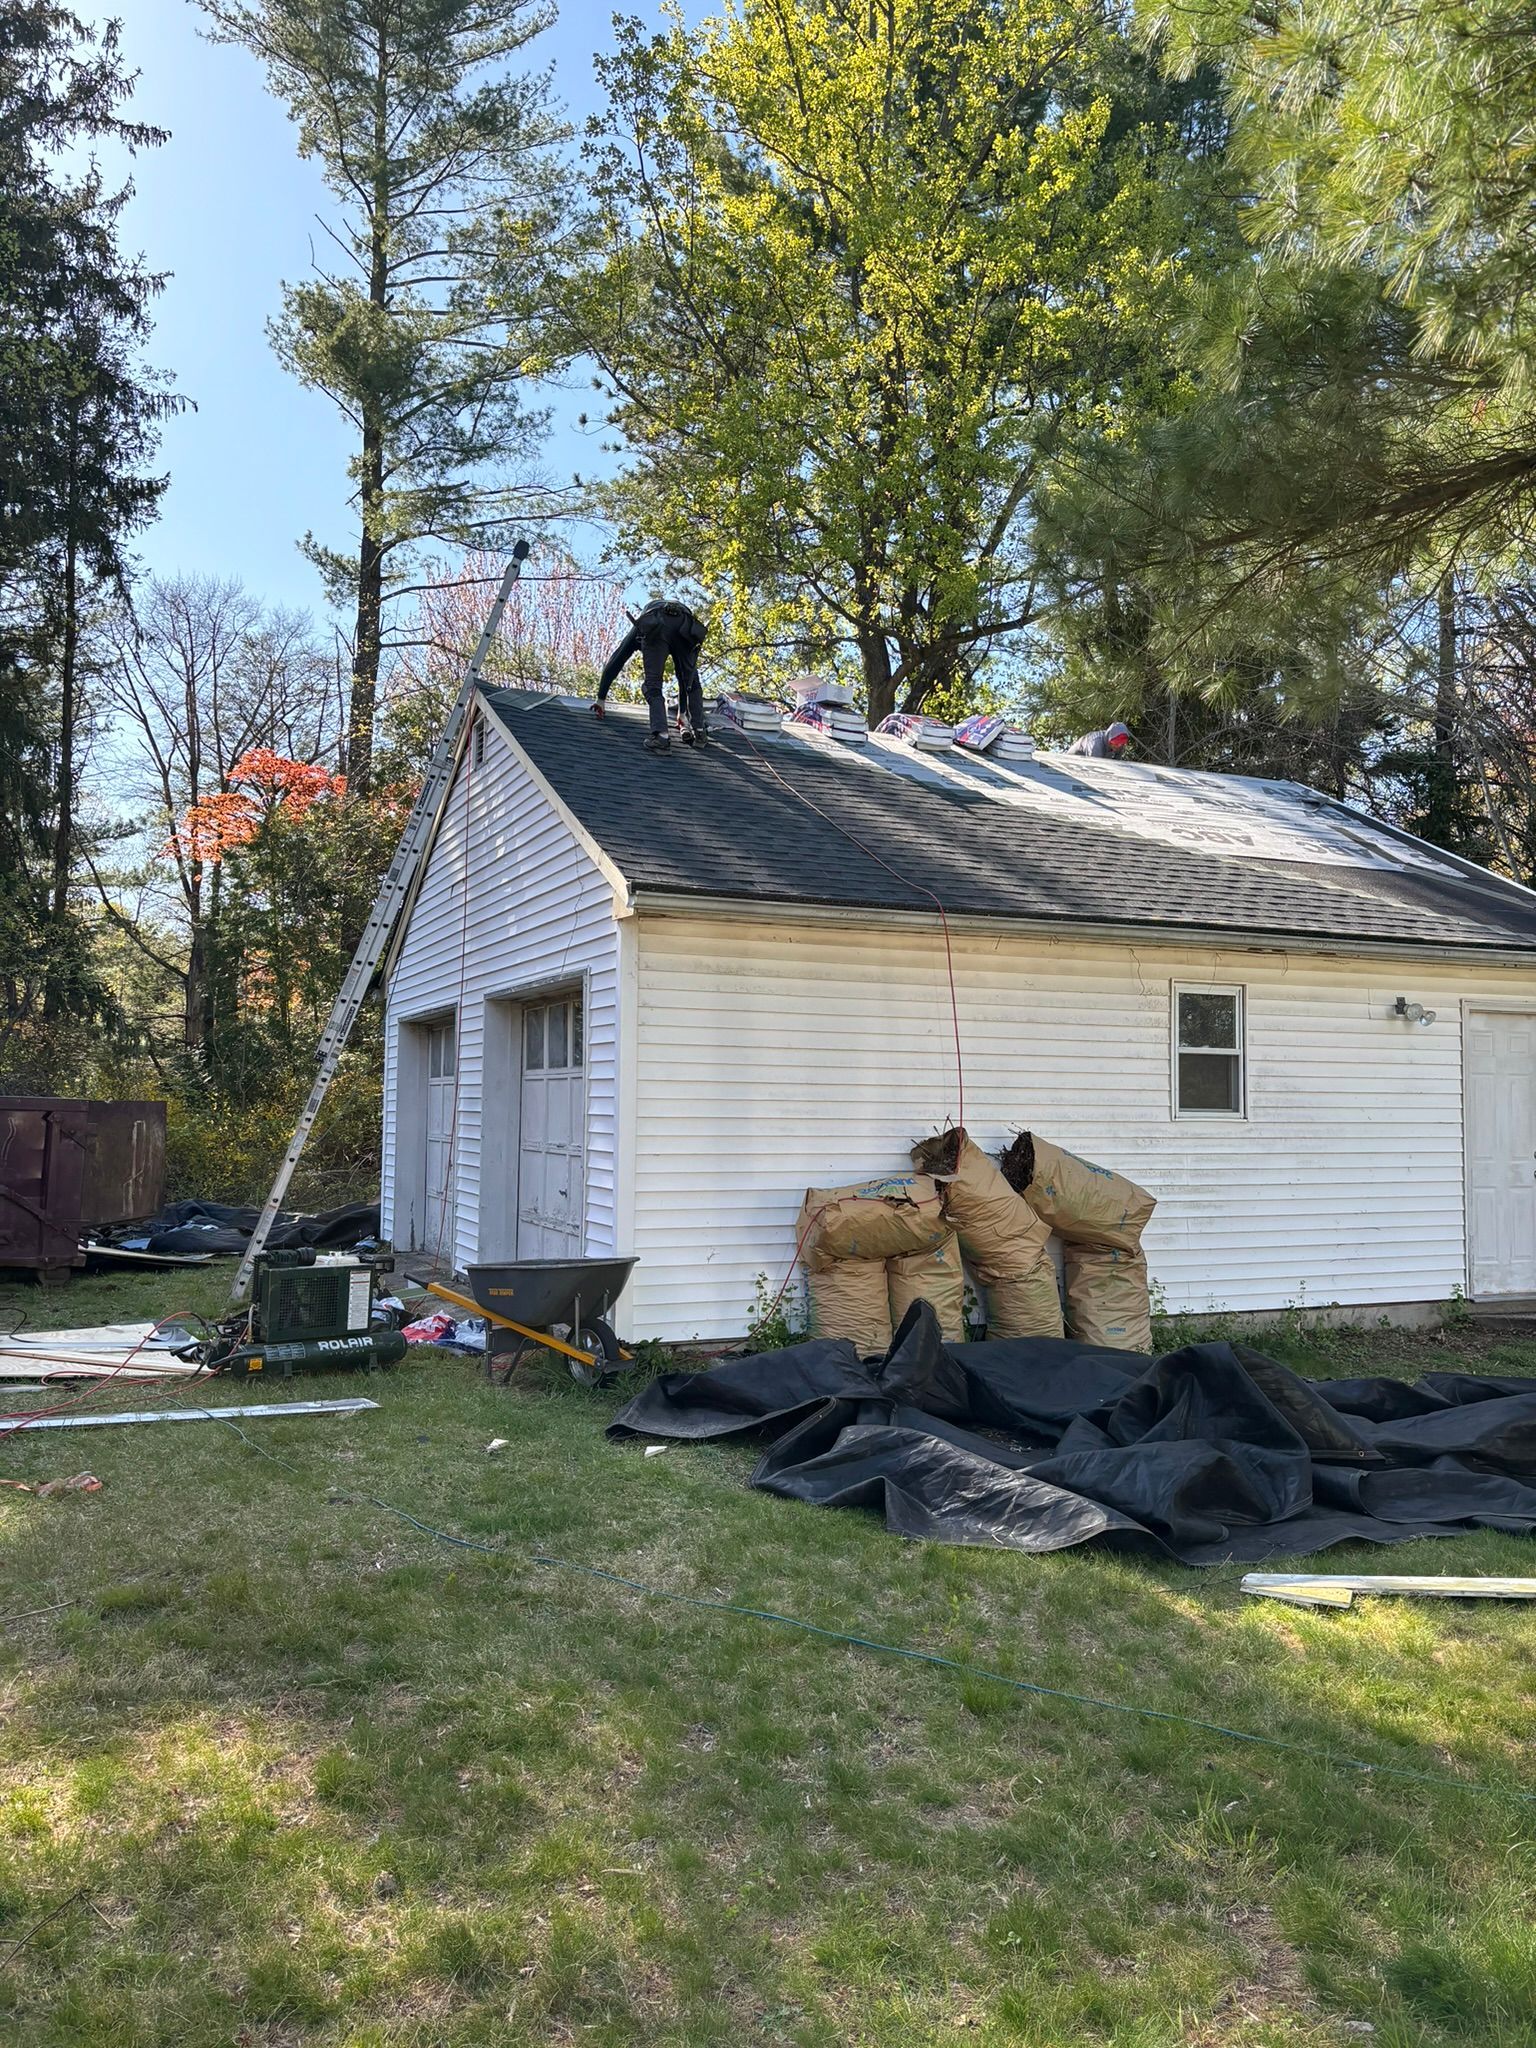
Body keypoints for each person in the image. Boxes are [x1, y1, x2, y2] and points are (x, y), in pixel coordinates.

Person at [592, 597, 710, 753]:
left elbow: (617, 660)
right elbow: (685, 678)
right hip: (686, 623)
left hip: (657, 623)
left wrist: (601, 699)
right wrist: (682, 714)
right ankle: (700, 732)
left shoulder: (644, 625)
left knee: (652, 685)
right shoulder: (678, 620)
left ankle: (662, 738)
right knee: (691, 680)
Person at [1065, 720, 1131, 759]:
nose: (1119, 746)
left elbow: (1117, 765)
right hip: (1071, 763)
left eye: (1122, 743)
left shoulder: (1119, 746)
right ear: (1110, 739)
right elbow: (1094, 769)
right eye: (1116, 742)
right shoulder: (1096, 745)